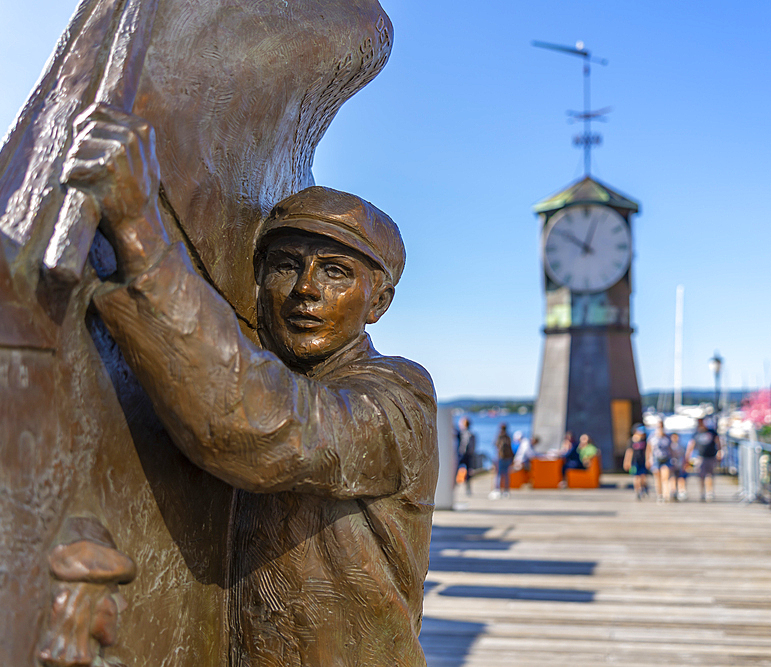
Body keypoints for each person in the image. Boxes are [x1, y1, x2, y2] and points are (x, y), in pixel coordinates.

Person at [68, 106, 438, 665]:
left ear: (379, 302)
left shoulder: (399, 396)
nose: (305, 290)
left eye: (336, 271)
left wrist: (141, 234)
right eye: (286, 265)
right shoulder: (250, 372)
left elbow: (271, 431)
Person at [687, 418, 722, 501]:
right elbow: (691, 445)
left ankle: (709, 492)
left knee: (709, 475)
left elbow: (718, 441)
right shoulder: (696, 433)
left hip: (711, 456)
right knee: (701, 475)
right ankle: (702, 492)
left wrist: (720, 452)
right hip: (700, 457)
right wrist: (688, 456)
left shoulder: (712, 432)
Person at [646, 422, 675, 502]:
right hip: (656, 459)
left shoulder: (667, 437)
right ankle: (659, 494)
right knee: (657, 478)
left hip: (666, 458)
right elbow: (648, 449)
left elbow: (670, 449)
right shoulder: (652, 437)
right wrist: (648, 459)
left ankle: (666, 495)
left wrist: (673, 459)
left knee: (665, 477)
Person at [623, 426, 649, 500]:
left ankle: (644, 487)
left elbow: (647, 451)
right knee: (636, 477)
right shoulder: (631, 441)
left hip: (642, 461)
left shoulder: (644, 441)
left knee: (643, 477)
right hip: (634, 461)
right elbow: (629, 452)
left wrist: (648, 460)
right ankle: (638, 491)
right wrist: (627, 462)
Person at [491, 423, 513, 498]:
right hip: (508, 457)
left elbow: (495, 445)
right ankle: (506, 490)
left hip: (500, 457)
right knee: (506, 474)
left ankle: (497, 490)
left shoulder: (499, 436)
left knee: (498, 474)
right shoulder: (508, 437)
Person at [457, 417, 476, 495]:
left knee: (456, 470)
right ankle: (468, 489)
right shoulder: (472, 434)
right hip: (469, 455)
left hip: (462, 454)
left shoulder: (462, 433)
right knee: (468, 473)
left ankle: (454, 487)